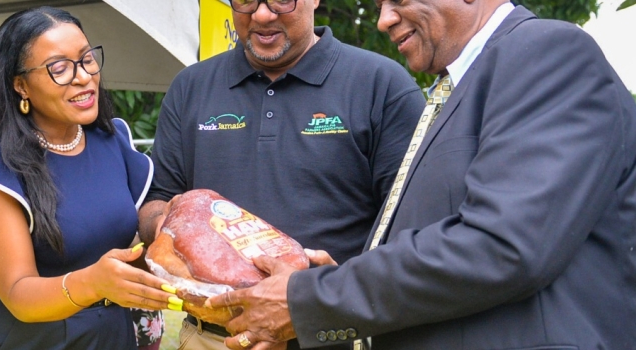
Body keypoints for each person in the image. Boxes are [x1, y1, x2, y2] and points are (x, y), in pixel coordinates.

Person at [207, 1, 636, 349]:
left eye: (398, 0)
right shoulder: (461, 84)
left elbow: (503, 245)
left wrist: (310, 299)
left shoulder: (546, 51)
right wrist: (344, 275)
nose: (384, 19)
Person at [138, 0, 425, 349]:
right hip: (211, 338)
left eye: (280, 0)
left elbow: (415, 227)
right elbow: (157, 203)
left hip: (330, 334)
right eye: (245, 0)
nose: (261, 14)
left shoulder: (382, 84)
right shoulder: (190, 87)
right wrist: (182, 231)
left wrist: (333, 289)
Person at [0, 7, 178, 350]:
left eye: (86, 59)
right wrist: (94, 283)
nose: (83, 76)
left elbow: (135, 244)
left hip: (114, 336)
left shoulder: (112, 140)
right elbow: (17, 294)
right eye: (59, 68)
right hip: (42, 340)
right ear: (20, 85)